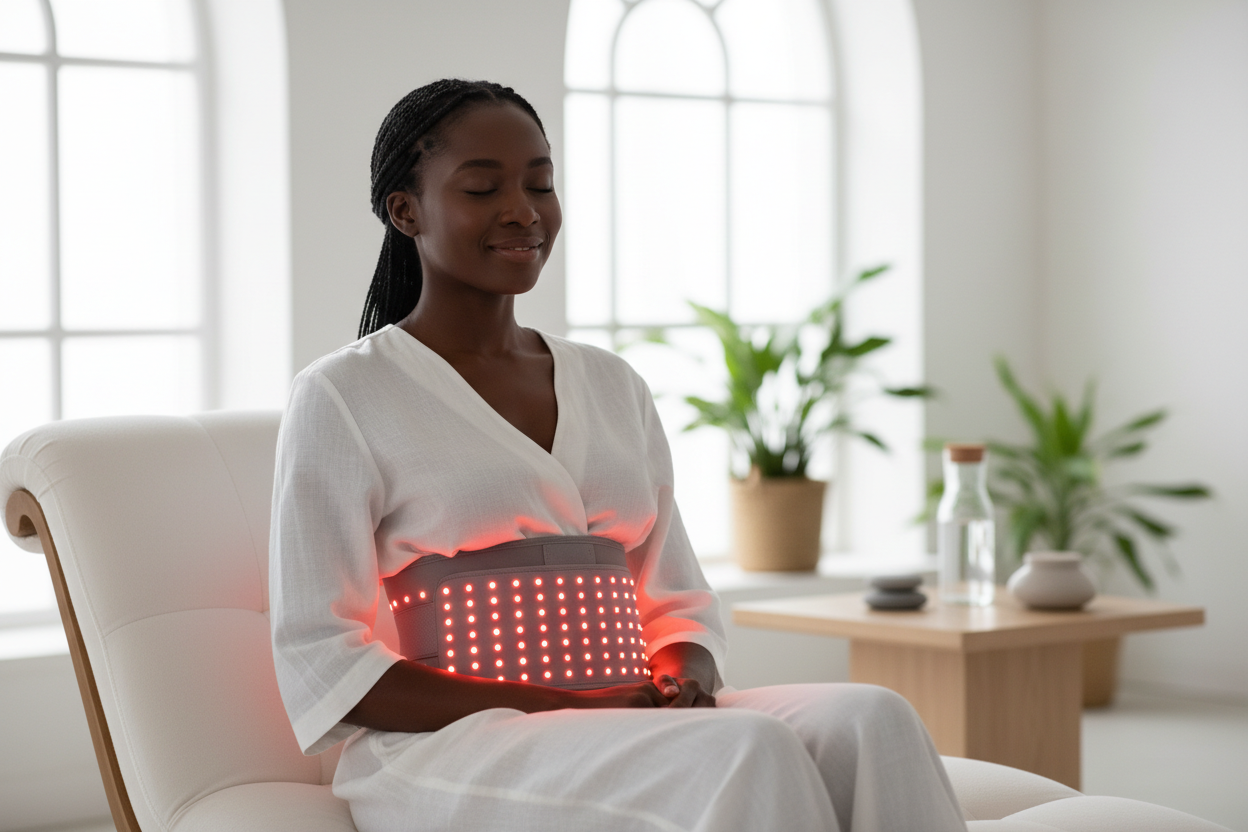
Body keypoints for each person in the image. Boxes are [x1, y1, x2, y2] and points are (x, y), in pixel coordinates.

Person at [270, 78, 966, 832]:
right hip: (450, 745)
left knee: (876, 717)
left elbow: (677, 597)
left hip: (622, 714)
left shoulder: (611, 383)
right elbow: (322, 654)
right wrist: (562, 704)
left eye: (541, 183)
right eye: (482, 188)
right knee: (749, 748)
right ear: (406, 210)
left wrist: (683, 674)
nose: (524, 210)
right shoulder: (345, 394)